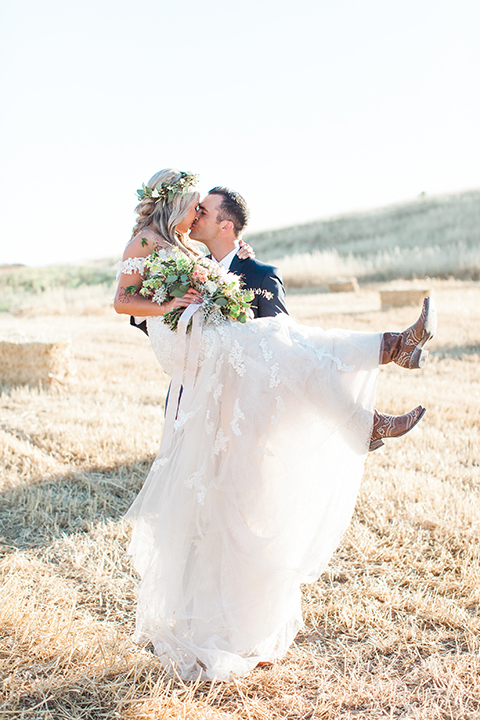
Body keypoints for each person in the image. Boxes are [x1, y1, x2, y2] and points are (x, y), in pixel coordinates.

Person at [114, 169, 436, 681]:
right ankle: (384, 365)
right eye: (194, 206)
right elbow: (129, 306)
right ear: (176, 203)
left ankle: (386, 361)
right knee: (205, 512)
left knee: (287, 345)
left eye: (205, 209)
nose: (197, 215)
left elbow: (294, 372)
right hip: (198, 388)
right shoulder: (166, 248)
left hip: (238, 402)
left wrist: (210, 288)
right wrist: (176, 305)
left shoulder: (250, 269)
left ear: (226, 226)